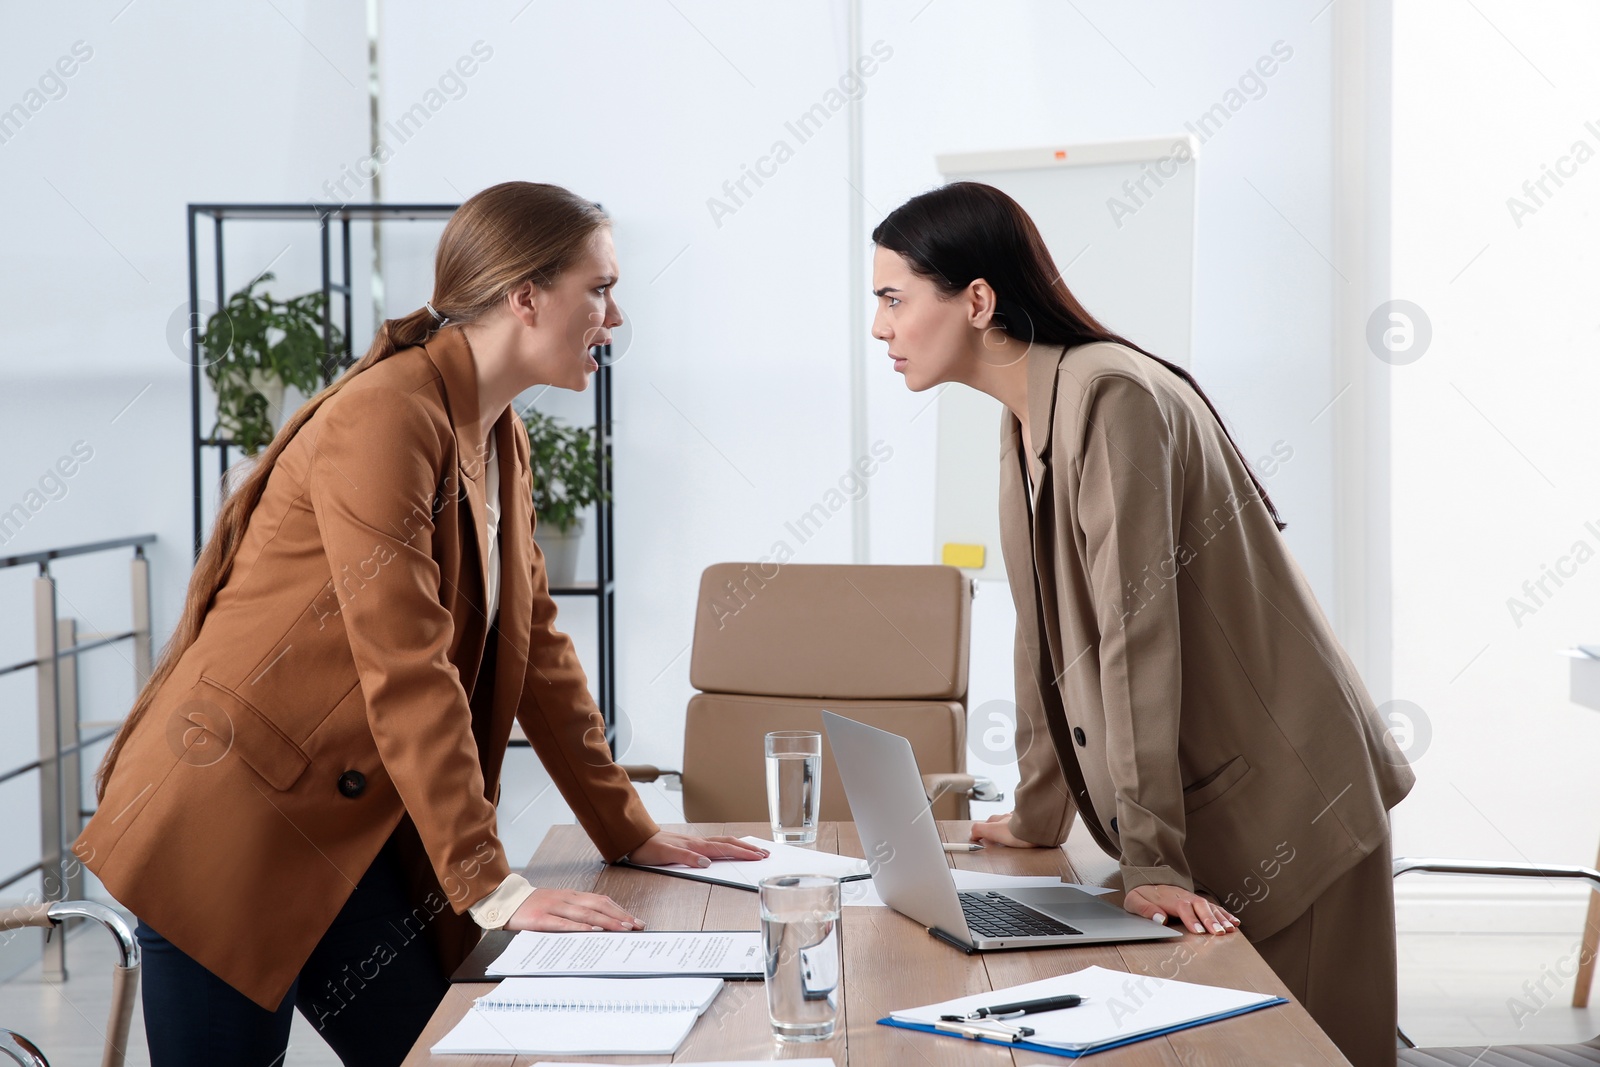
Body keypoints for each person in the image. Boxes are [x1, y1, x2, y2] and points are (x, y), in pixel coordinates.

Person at [74, 181, 766, 1066]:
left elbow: (538, 652)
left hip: (344, 834)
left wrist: (626, 827)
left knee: (449, 1049)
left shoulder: (495, 430)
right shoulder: (385, 416)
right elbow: (408, 664)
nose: (615, 314)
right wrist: (492, 885)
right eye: (599, 288)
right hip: (228, 829)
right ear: (526, 296)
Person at [868, 181, 1414, 1067]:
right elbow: (1042, 630)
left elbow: (1136, 634)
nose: (881, 328)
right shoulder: (1024, 418)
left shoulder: (1108, 395)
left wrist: (1154, 860)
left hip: (1294, 804)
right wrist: (1039, 809)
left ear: (975, 299)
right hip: (1223, 803)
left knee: (1312, 1055)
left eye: (894, 299)